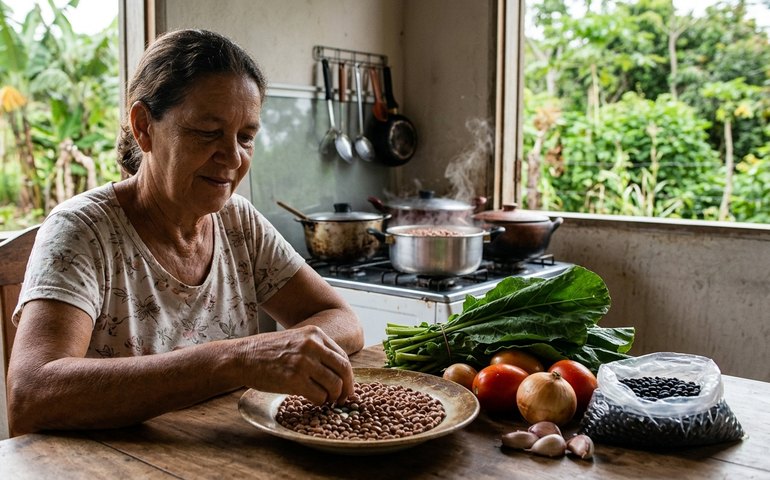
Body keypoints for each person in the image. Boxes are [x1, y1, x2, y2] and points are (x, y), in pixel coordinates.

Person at [7, 29, 364, 436]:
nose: (233, 157)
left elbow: (343, 320)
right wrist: (237, 359)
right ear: (143, 127)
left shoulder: (238, 223)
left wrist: (287, 353)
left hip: (216, 452)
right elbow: (31, 395)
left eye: (246, 137)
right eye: (208, 132)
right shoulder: (82, 231)